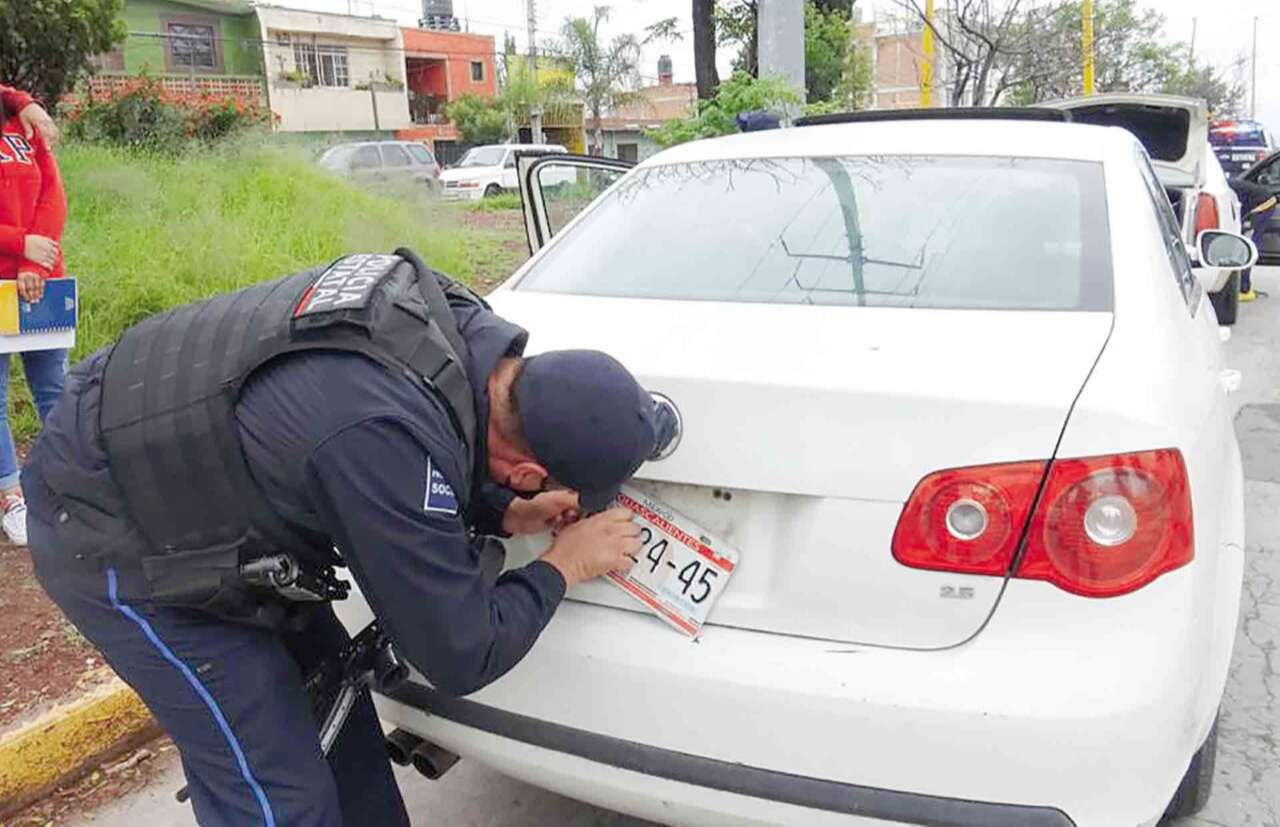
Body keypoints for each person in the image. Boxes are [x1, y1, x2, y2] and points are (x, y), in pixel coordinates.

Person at [25, 248, 672, 826]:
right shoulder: (382, 435)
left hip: (216, 502)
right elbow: (460, 652)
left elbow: (422, 451)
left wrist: (501, 511)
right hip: (110, 529)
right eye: (535, 488)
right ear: (529, 471)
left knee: (343, 741)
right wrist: (561, 564)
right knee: (278, 796)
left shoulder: (461, 328)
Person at [0, 86, 68, 544]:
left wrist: (31, 261)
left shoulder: (20, 120)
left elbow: (53, 193)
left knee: (55, 388)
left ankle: (71, 485)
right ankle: (10, 493)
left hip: (41, 278)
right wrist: (17, 244)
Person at [1229, 176, 1279, 301]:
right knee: (1243, 243)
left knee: (1247, 245)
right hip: (1259, 203)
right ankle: (1242, 285)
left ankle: (1244, 288)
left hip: (1263, 205)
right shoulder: (1225, 186)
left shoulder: (1223, 190)